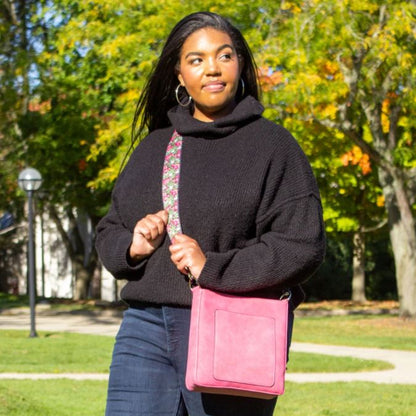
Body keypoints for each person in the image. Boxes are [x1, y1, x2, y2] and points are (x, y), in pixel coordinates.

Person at [96, 11, 325, 416]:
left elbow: (301, 245)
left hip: (234, 331)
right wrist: (132, 246)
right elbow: (109, 229)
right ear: (180, 75)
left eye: (224, 55)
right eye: (197, 59)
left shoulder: (273, 146)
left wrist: (211, 267)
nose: (213, 69)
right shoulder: (156, 147)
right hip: (144, 331)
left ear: (240, 64)